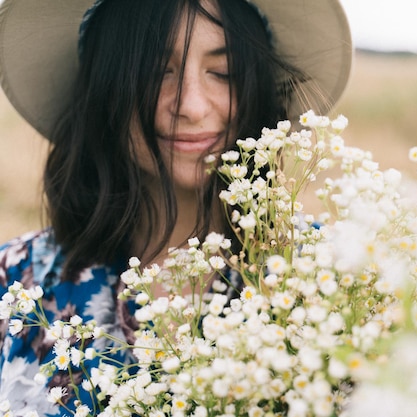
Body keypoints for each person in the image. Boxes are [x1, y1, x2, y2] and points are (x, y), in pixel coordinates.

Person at [0, 0, 352, 414]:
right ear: (105, 85)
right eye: (153, 71)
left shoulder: (332, 281)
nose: (191, 106)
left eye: (224, 73)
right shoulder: (16, 286)